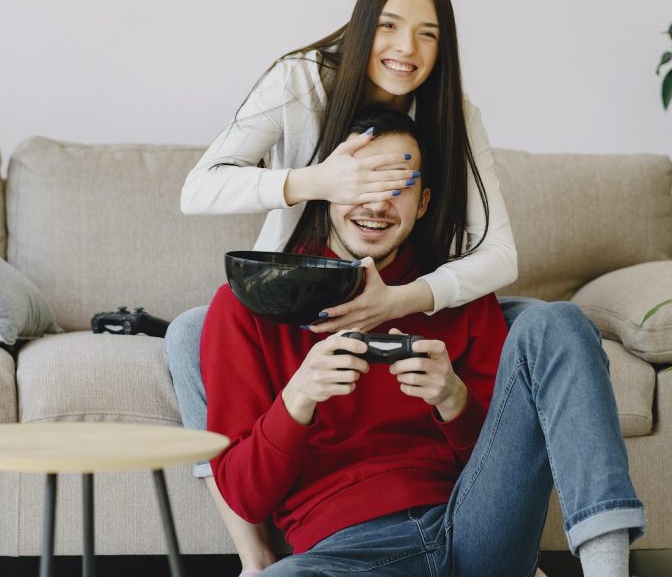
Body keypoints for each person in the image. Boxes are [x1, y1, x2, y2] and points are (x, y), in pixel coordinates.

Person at [167, 0, 520, 573]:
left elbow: (501, 257)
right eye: (389, 25)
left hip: (417, 303)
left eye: (427, 33)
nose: (406, 48)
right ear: (363, 28)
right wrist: (318, 180)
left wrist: (407, 309)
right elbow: (198, 189)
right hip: (301, 289)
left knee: (550, 328)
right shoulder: (302, 82)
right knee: (190, 332)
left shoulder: (452, 111)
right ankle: (253, 557)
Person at [202, 110, 645, 577]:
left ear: (423, 202)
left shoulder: (458, 293)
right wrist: (298, 398)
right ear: (327, 188)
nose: (377, 205)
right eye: (364, 182)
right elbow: (246, 497)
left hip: (471, 531)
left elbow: (514, 464)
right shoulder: (245, 308)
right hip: (340, 556)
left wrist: (454, 400)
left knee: (557, 320)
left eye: (399, 187)